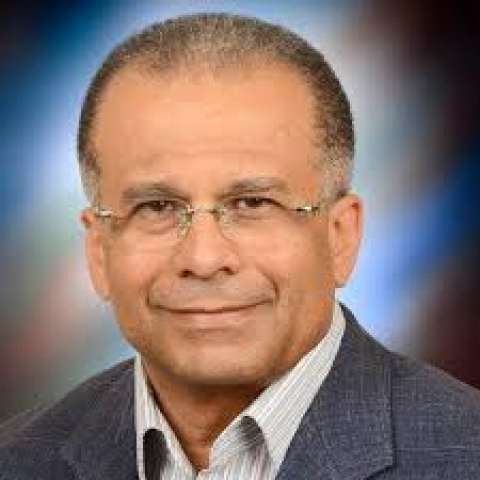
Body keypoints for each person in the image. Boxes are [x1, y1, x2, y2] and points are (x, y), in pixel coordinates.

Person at [1, 12, 479, 480]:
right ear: (98, 250)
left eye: (252, 203)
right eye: (157, 207)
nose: (204, 259)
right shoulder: (17, 463)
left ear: (341, 236)